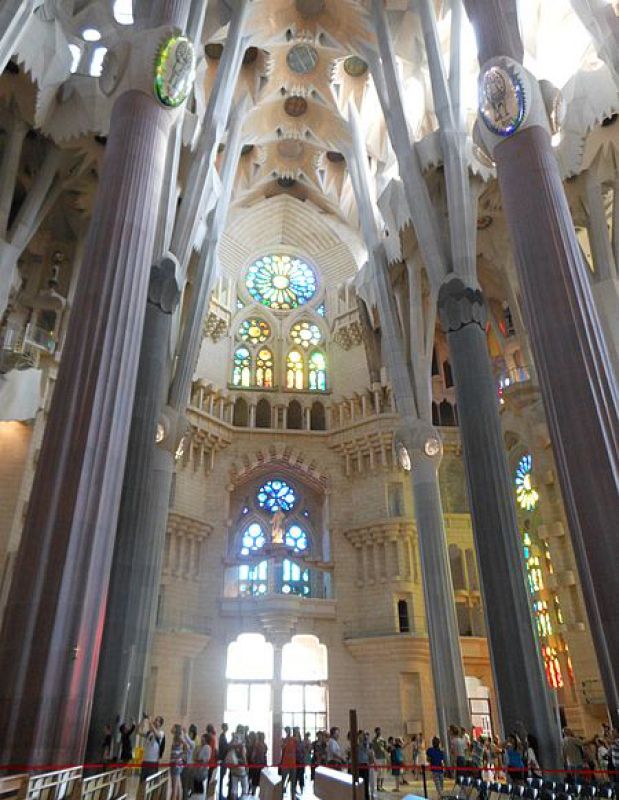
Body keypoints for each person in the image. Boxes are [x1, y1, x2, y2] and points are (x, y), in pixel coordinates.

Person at [139, 714, 165, 781]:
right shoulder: (149, 733)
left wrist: (150, 722)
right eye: (155, 719)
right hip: (145, 761)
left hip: (153, 762)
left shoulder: (161, 733)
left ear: (160, 724)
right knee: (142, 782)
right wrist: (143, 720)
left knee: (151, 783)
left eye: (157, 720)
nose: (155, 721)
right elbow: (138, 732)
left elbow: (158, 735)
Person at [170, 725, 188, 800]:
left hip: (175, 764)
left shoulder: (178, 737)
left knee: (174, 787)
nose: (171, 729)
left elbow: (186, 746)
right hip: (177, 763)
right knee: (178, 785)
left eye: (173, 727)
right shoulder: (176, 737)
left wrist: (180, 755)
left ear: (176, 729)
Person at [182, 724, 198, 800]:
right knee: (184, 784)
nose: (189, 734)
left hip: (189, 766)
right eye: (189, 732)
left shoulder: (193, 743)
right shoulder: (188, 742)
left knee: (186, 785)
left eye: (191, 733)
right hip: (184, 764)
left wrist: (185, 733)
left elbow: (187, 740)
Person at [357, 731, 373, 800]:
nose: (361, 737)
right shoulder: (357, 744)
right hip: (359, 765)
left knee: (366, 782)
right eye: (360, 736)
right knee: (360, 781)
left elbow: (368, 753)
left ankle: (366, 797)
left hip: (365, 764)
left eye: (362, 736)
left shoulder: (366, 744)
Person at [250, 731, 267, 795]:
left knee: (256, 781)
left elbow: (253, 756)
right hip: (261, 765)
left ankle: (254, 794)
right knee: (259, 781)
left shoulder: (258, 745)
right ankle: (258, 794)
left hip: (258, 765)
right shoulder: (263, 745)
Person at [218, 723, 229, 800]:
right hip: (223, 759)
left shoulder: (223, 736)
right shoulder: (222, 737)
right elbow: (224, 747)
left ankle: (220, 793)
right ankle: (220, 794)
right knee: (221, 777)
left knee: (222, 776)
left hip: (224, 758)